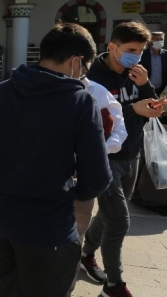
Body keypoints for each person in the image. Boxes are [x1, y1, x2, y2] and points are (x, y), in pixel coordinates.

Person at [0, 23, 112, 297]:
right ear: (75, 62)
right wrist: (69, 193)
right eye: (84, 69)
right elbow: (97, 178)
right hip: (49, 228)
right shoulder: (80, 101)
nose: (82, 75)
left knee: (1, 289)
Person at [81, 21, 165, 297]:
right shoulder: (93, 76)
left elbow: (148, 105)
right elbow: (93, 118)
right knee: (118, 220)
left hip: (133, 154)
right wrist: (133, 109)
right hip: (106, 156)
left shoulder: (137, 74)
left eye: (141, 51)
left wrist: (148, 90)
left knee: (109, 215)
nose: (136, 56)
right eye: (131, 50)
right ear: (112, 47)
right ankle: (114, 285)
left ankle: (86, 253)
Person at [68, 75, 127, 294]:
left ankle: (69, 282)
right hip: (43, 182)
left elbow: (119, 129)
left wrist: (96, 151)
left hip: (80, 179)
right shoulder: (37, 90)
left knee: (73, 240)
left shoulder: (97, 93)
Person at [140, 31, 167, 95]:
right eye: (157, 39)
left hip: (161, 91)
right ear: (150, 41)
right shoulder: (142, 54)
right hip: (145, 90)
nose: (159, 41)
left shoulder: (165, 54)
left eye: (161, 39)